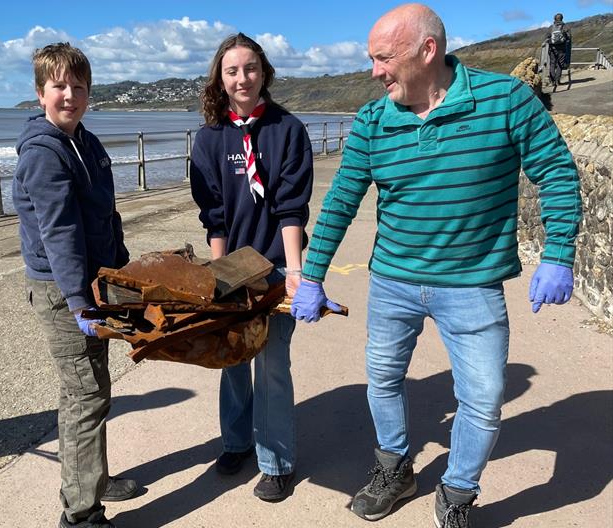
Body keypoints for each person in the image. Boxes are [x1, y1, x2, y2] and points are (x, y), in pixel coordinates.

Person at [290, 4, 581, 527]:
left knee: (484, 398)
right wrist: (311, 275)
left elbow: (557, 172)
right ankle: (394, 469)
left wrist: (559, 252)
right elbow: (340, 203)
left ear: (427, 51)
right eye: (372, 59)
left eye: (383, 58)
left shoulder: (505, 101)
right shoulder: (373, 120)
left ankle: (457, 494)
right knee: (382, 379)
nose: (375, 71)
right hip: (392, 281)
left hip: (472, 286)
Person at [12, 43, 135, 528]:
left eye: (78, 87)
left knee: (92, 390)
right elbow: (59, 233)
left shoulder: (84, 141)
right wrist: (80, 303)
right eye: (59, 86)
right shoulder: (44, 154)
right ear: (40, 93)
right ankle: (81, 512)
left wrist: (122, 273)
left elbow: (106, 214)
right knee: (85, 395)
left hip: (95, 285)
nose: (70, 95)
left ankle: (92, 480)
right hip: (64, 292)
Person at [190, 33, 313, 502]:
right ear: (219, 80)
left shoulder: (288, 129)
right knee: (233, 358)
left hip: (276, 265)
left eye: (250, 68)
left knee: (273, 363)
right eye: (232, 70)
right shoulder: (210, 136)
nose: (242, 78)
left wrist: (296, 271)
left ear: (264, 72)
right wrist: (216, 276)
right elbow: (214, 214)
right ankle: (236, 441)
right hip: (232, 269)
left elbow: (290, 208)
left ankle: (277, 462)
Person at [546, 13, 572, 90]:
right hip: (562, 48)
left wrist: (551, 42)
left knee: (552, 63)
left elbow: (547, 37)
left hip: (553, 48)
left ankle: (552, 80)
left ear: (554, 19)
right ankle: (557, 80)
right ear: (562, 18)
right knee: (560, 64)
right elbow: (569, 37)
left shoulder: (551, 27)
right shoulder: (565, 26)